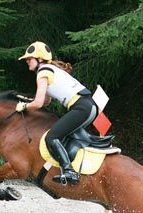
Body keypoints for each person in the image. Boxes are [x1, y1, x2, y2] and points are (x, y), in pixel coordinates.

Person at [17, 41, 97, 184]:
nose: (27, 62)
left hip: (81, 108)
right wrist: (29, 100)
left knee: (52, 137)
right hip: (88, 106)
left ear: (39, 59)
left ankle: (69, 171)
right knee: (65, 135)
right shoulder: (50, 69)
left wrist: (24, 106)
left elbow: (38, 104)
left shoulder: (42, 72)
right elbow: (46, 101)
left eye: (29, 59)